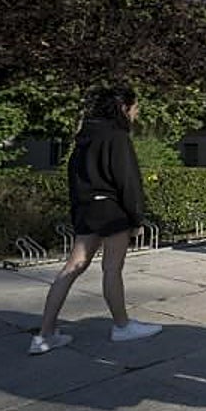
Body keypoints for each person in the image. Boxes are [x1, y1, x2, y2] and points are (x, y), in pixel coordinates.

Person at [30, 87, 163, 355]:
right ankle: (122, 326)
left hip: (87, 208)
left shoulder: (84, 137)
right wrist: (137, 216)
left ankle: (44, 334)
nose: (137, 112)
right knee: (112, 269)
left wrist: (79, 211)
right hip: (112, 211)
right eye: (135, 107)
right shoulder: (117, 137)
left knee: (73, 266)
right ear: (124, 108)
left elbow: (74, 179)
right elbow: (128, 180)